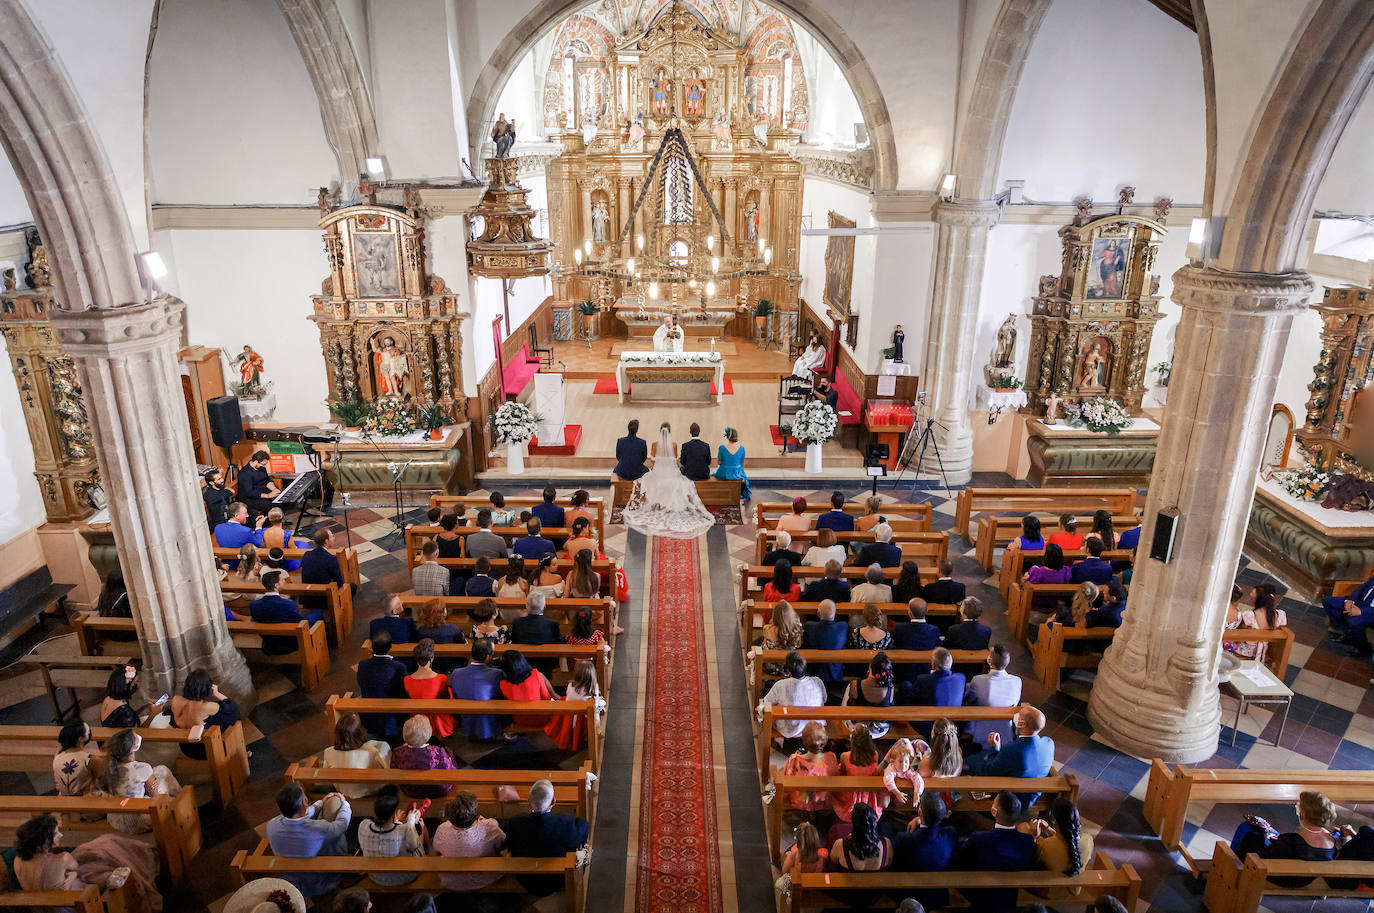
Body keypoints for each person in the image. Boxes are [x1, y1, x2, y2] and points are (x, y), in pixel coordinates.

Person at [13, 813, 160, 911]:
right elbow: (75, 867)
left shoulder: (18, 861)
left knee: (88, 855)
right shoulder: (63, 858)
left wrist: (69, 876)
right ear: (44, 840)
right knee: (102, 851)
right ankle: (113, 876)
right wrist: (72, 876)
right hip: (78, 903)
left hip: (42, 907)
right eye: (56, 833)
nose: (61, 835)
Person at [622, 422, 716, 538]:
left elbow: (653, 460)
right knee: (682, 481)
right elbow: (675, 461)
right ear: (670, 432)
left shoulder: (654, 444)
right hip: (670, 474)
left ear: (660, 431)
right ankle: (669, 503)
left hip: (658, 473)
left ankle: (658, 502)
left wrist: (660, 464)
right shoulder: (674, 444)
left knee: (647, 479)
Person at [1229, 790, 1337, 887]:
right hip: (1303, 880)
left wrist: (1264, 832)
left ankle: (1231, 866)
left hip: (1281, 878)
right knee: (1270, 833)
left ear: (1303, 814)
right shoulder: (1331, 840)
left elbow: (1268, 857)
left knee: (1247, 829)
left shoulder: (1292, 840)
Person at [505, 779, 591, 895]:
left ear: (528, 799)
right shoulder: (565, 822)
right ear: (553, 801)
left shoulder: (515, 822)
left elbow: (509, 844)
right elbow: (583, 825)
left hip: (525, 877)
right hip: (558, 878)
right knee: (581, 845)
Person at [266, 782, 352, 898]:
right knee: (337, 837)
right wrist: (345, 804)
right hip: (320, 884)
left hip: (292, 881)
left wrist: (321, 802)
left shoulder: (272, 825)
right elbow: (341, 825)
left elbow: (300, 815)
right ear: (304, 802)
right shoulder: (319, 828)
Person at [955, 790, 1038, 909]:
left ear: (994, 812)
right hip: (1010, 896)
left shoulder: (979, 838)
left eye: (993, 803)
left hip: (980, 894)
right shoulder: (1028, 841)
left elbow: (963, 857)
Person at [967, 704, 1055, 805]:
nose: (1016, 715)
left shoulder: (1012, 750)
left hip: (1010, 799)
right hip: (1032, 794)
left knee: (972, 759)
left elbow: (991, 770)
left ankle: (978, 788)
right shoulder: (1049, 743)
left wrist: (994, 748)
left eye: (1019, 715)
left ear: (1022, 724)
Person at [101, 728, 182, 835]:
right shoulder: (142, 768)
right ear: (133, 748)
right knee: (162, 770)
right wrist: (154, 783)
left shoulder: (107, 767)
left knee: (155, 774)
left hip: (117, 819)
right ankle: (180, 802)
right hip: (139, 820)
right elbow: (154, 796)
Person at [892, 792, 958, 910]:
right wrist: (919, 819)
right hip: (937, 895)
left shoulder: (904, 839)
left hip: (910, 895)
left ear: (920, 812)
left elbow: (896, 865)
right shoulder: (950, 834)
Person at [432, 790, 506, 891]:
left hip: (451, 879)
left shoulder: (442, 828)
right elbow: (502, 845)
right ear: (475, 814)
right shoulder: (489, 826)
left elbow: (437, 850)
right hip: (484, 878)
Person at [1024, 797, 1092, 899]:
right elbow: (1068, 842)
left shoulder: (1045, 846)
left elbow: (1031, 857)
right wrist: (1048, 830)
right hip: (1074, 890)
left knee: (1023, 827)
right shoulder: (1088, 840)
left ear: (1054, 819)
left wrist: (1033, 836)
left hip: (1050, 891)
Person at [358, 784, 424, 886]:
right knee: (421, 828)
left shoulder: (364, 825)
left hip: (375, 876)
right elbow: (413, 846)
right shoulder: (404, 829)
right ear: (394, 812)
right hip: (405, 876)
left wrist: (399, 822)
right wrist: (410, 821)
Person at [168, 668, 241, 760]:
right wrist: (216, 693)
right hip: (205, 750)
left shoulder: (176, 700)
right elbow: (232, 708)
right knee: (229, 720)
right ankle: (239, 752)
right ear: (207, 688)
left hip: (186, 748)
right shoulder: (206, 707)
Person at [321, 713, 390, 798]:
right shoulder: (371, 752)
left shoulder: (328, 752)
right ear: (360, 732)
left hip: (343, 789)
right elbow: (383, 770)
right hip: (368, 789)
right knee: (384, 746)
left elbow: (326, 773)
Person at [758, 652, 826, 739]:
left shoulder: (781, 684)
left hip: (790, 729)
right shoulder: (817, 681)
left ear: (788, 671)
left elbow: (766, 703)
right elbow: (824, 699)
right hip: (815, 725)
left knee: (771, 707)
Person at [965, 644, 1022, 747]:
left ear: (989, 661)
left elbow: (968, 699)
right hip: (1006, 732)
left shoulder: (978, 680)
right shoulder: (1017, 681)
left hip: (982, 733)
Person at [450, 638, 507, 740]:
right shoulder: (497, 674)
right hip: (489, 722)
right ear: (488, 656)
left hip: (466, 720)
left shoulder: (456, 673)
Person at [252, 571, 322, 654]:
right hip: (289, 644)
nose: (284, 581)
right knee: (318, 612)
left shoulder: (254, 605)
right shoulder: (288, 603)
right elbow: (301, 623)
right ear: (276, 585)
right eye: (282, 580)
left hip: (269, 643)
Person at [831, 725, 885, 830]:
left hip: (851, 793)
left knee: (834, 792)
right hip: (869, 794)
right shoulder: (875, 755)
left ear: (852, 742)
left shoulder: (845, 756)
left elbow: (842, 773)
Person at [357, 630, 408, 740]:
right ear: (390, 647)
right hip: (392, 717)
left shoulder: (362, 665)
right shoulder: (399, 667)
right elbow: (404, 691)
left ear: (372, 647)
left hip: (369, 717)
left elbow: (361, 684)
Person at [777, 722, 837, 813]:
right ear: (824, 741)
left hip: (800, 803)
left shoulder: (794, 760)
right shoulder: (831, 758)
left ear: (804, 741)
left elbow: (785, 783)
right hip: (822, 803)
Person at [391, 715, 456, 798]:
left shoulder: (397, 752)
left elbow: (393, 771)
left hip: (410, 790)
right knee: (449, 753)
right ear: (428, 734)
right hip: (437, 790)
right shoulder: (437, 752)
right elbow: (450, 770)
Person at [907, 649, 965, 738]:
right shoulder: (961, 678)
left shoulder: (923, 680)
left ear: (933, 664)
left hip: (927, 726)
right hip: (952, 724)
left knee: (905, 687)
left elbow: (911, 700)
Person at [404, 639, 455, 738]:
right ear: (431, 659)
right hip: (436, 718)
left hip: (417, 717)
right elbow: (445, 698)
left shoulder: (407, 679)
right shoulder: (441, 678)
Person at [545, 659, 599, 750]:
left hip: (569, 713)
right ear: (592, 675)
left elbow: (569, 698)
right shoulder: (593, 689)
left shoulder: (571, 685)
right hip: (584, 718)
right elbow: (596, 704)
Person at [829, 802, 892, 872]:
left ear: (853, 823)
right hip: (878, 882)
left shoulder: (840, 844)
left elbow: (833, 861)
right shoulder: (886, 843)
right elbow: (889, 863)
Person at [844, 653, 895, 737]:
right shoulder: (890, 688)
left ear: (870, 668)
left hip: (857, 728)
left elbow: (850, 706)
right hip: (880, 730)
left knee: (849, 687)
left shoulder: (855, 684)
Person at [499, 649, 554, 727]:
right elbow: (546, 698)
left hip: (520, 720)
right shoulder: (535, 674)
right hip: (542, 718)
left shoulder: (503, 684)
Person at [1324, 569, 1374, 654]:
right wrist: (1350, 600)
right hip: (1360, 602)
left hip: (1371, 611)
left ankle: (1363, 649)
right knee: (1328, 602)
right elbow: (1363, 587)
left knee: (1355, 622)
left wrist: (1361, 611)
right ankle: (1348, 633)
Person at [512, 592, 563, 675]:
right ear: (544, 607)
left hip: (523, 663)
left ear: (526, 606)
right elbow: (559, 642)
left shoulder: (517, 623)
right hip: (546, 665)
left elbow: (514, 640)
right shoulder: (552, 624)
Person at [892, 599, 940, 680]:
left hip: (905, 671)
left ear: (909, 613)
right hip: (926, 670)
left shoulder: (899, 628)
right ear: (926, 611)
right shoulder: (934, 630)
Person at [803, 599, 849, 684]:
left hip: (814, 674)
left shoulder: (809, 626)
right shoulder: (843, 626)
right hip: (835, 674)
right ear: (835, 614)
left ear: (818, 614)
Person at [415, 598, 464, 674]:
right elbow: (462, 645)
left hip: (431, 667)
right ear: (443, 613)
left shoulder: (421, 630)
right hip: (452, 666)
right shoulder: (453, 628)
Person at [53, 720, 97, 796]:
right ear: (80, 739)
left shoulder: (58, 754)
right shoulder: (90, 759)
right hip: (85, 799)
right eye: (87, 731)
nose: (90, 731)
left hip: (63, 796)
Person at [101, 664, 152, 728]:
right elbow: (139, 732)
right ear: (125, 686)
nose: (134, 687)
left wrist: (146, 705)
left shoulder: (107, 699)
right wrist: (152, 714)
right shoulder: (126, 713)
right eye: (133, 684)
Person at [759, 601, 803, 676]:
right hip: (789, 667)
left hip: (770, 668)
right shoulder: (796, 629)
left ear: (775, 615)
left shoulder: (767, 629)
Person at [300, 527, 349, 593]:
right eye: (332, 536)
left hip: (307, 594)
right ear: (326, 541)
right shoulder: (331, 559)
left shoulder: (307, 554)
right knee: (352, 586)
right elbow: (339, 582)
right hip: (325, 596)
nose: (334, 538)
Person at [237, 450, 281, 521]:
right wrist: (268, 495)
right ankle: (267, 524)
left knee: (279, 499)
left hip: (261, 491)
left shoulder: (261, 468)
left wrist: (274, 489)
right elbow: (249, 492)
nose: (264, 466)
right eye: (263, 464)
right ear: (256, 461)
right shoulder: (245, 473)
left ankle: (277, 521)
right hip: (248, 498)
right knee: (267, 504)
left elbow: (267, 480)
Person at [714, 426, 752, 501]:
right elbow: (742, 464)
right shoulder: (741, 448)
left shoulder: (721, 447)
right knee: (743, 474)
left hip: (724, 473)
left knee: (716, 473)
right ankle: (740, 492)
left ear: (727, 437)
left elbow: (719, 462)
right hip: (737, 473)